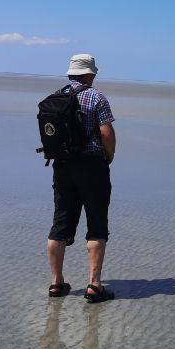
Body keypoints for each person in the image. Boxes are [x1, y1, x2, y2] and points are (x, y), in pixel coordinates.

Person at [47, 54, 117, 303]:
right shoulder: (96, 97)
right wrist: (109, 156)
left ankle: (56, 283)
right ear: (90, 74)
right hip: (91, 166)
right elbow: (106, 132)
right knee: (97, 224)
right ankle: (94, 286)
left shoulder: (57, 95)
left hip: (62, 166)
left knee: (60, 224)